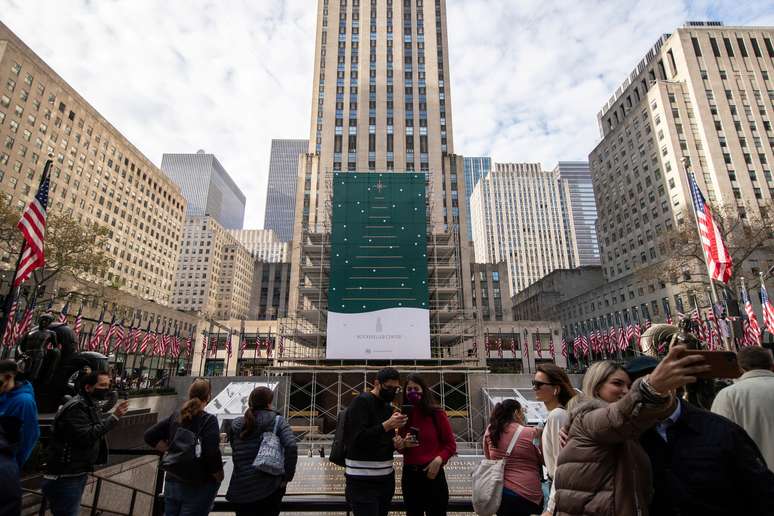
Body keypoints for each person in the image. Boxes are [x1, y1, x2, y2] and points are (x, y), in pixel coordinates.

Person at [553, 346, 708, 516]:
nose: (626, 391)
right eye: (617, 383)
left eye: (629, 385)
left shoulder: (628, 431)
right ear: (596, 387)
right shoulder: (589, 419)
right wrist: (650, 388)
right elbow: (616, 417)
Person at [620, 349, 774, 515]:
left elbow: (761, 492)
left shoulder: (720, 429)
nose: (655, 393)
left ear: (676, 384)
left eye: (661, 383)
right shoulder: (625, 438)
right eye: (643, 388)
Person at [43, 371, 129, 516]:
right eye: (102, 385)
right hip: (66, 475)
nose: (106, 389)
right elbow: (87, 435)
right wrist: (114, 417)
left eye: (108, 385)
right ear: (88, 387)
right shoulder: (77, 407)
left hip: (76, 472)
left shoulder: (88, 404)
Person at [144, 378, 223, 516]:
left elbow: (149, 435)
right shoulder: (209, 420)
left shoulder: (176, 415)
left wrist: (170, 449)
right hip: (197, 483)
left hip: (173, 479)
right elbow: (211, 452)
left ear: (189, 394)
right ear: (208, 396)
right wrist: (218, 474)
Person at [343, 367, 407, 516]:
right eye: (388, 387)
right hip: (362, 480)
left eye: (395, 389)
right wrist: (386, 425)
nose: (392, 391)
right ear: (377, 383)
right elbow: (357, 439)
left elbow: (383, 441)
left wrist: (396, 443)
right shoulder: (361, 402)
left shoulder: (386, 407)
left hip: (385, 479)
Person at [226, 386, 298, 516]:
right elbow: (291, 446)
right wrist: (287, 477)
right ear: (269, 402)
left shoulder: (237, 424)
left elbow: (234, 447)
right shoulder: (277, 421)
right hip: (268, 488)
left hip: (241, 487)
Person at [396, 373, 456, 516]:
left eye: (416, 388)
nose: (412, 392)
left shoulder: (436, 413)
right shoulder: (403, 415)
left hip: (433, 474)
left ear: (424, 389)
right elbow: (401, 449)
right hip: (410, 475)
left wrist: (439, 460)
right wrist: (403, 444)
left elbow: (451, 445)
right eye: (409, 389)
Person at [711, 346, 774, 471]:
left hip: (754, 480)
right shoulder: (729, 395)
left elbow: (717, 442)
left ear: (740, 368)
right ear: (771, 365)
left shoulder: (728, 395)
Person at [483, 398, 543, 516]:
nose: (524, 415)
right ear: (516, 413)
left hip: (499, 492)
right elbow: (543, 460)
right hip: (527, 493)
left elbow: (489, 458)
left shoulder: (491, 431)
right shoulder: (531, 433)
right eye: (522, 412)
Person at [532, 363, 576, 516]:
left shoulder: (558, 415)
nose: (534, 388)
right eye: (533, 384)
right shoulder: (556, 415)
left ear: (556, 389)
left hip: (560, 495)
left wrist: (550, 508)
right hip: (558, 491)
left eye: (539, 384)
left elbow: (561, 466)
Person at [0, 359, 40, 468]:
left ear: (9, 377)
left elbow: (29, 437)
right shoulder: (5, 392)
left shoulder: (24, 402)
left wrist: (13, 465)